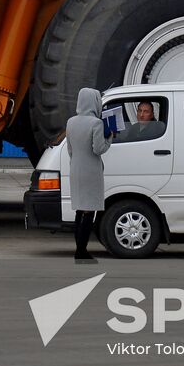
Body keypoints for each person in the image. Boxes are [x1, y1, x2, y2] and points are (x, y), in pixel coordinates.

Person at [67, 87, 111, 263]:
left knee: (80, 209)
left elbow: (70, 150)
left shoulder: (71, 122)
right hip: (90, 170)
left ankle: (79, 248)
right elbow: (98, 148)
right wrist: (110, 138)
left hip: (75, 168)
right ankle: (81, 251)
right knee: (89, 211)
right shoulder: (96, 123)